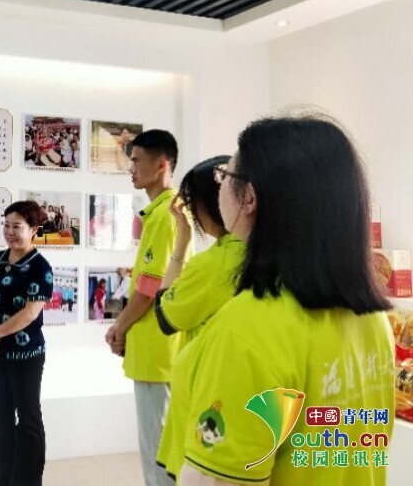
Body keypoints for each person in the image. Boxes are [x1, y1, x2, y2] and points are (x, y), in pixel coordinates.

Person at [173, 116, 394, 486]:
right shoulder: (372, 319)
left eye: (225, 175)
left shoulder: (247, 331)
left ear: (249, 197)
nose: (220, 183)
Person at [151, 155, 244, 479]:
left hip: (207, 401)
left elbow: (166, 316)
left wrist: (181, 243)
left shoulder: (213, 265)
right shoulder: (263, 255)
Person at [104, 129, 183, 486]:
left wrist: (118, 326)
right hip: (158, 350)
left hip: (156, 353)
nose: (131, 168)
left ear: (161, 164)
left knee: (157, 456)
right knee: (161, 449)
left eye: (136, 161)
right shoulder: (164, 212)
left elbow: (148, 288)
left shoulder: (165, 215)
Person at [0, 201, 53, 486]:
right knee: (1, 418)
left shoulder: (40, 267)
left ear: (34, 230)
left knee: (28, 419)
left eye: (17, 226)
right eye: (6, 225)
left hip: (26, 355)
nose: (9, 231)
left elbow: (30, 313)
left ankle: (27, 481)